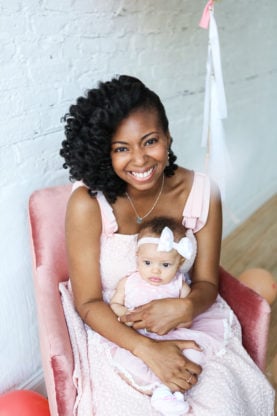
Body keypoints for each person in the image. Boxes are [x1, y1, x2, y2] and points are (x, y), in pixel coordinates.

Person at [60, 75, 274, 415]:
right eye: (121, 148)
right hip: (116, 329)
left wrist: (186, 308)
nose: (140, 160)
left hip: (189, 321)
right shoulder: (89, 203)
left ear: (168, 137)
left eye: (149, 141)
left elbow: (206, 283)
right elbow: (86, 301)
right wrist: (146, 349)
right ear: (105, 151)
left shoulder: (202, 192)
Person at [110, 216, 229, 415]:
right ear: (137, 257)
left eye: (165, 265)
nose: (155, 270)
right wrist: (126, 316)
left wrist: (180, 318)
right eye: (147, 262)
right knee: (131, 361)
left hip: (173, 333)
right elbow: (115, 303)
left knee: (194, 352)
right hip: (140, 335)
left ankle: (172, 388)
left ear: (179, 263)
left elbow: (187, 311)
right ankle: (159, 389)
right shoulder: (129, 282)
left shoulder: (178, 284)